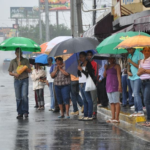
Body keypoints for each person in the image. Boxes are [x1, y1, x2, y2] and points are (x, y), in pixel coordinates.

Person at [8, 48, 31, 119]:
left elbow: (29, 70)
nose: (19, 53)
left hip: (24, 79)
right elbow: (10, 72)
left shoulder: (26, 60)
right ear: (15, 53)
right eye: (17, 52)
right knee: (18, 97)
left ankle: (25, 112)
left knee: (24, 96)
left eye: (20, 52)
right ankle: (19, 112)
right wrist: (15, 74)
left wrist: (23, 67)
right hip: (17, 80)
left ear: (22, 53)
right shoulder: (13, 61)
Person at [104, 57, 122, 123]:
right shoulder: (107, 66)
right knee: (111, 102)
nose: (110, 60)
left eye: (112, 58)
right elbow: (104, 75)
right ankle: (113, 117)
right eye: (109, 59)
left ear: (114, 59)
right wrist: (105, 69)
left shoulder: (117, 66)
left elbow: (118, 75)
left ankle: (117, 118)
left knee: (116, 101)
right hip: (108, 85)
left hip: (115, 84)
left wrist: (120, 85)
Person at [78, 52, 95, 121]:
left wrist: (81, 69)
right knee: (84, 100)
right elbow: (79, 74)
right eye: (80, 57)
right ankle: (85, 114)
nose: (81, 58)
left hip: (86, 83)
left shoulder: (88, 64)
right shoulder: (81, 64)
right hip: (81, 83)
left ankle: (90, 115)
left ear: (85, 57)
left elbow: (89, 74)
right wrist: (79, 67)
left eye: (82, 56)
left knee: (88, 99)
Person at [127, 48, 144, 117]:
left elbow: (139, 66)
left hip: (137, 76)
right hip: (131, 77)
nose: (128, 50)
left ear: (133, 48)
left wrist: (131, 62)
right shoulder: (129, 55)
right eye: (127, 49)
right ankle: (136, 110)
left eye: (130, 49)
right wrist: (128, 71)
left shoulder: (139, 54)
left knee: (136, 93)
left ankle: (140, 110)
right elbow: (128, 66)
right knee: (134, 94)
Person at [137, 47, 150, 127]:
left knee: (146, 100)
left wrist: (144, 71)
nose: (147, 52)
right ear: (142, 52)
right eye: (145, 50)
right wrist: (141, 71)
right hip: (142, 82)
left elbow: (142, 71)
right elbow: (138, 73)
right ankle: (147, 119)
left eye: (148, 50)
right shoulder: (141, 61)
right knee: (145, 101)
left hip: (148, 82)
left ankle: (149, 120)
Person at [87, 51, 98, 119]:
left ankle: (94, 112)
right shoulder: (85, 64)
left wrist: (95, 82)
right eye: (88, 55)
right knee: (88, 98)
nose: (89, 56)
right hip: (87, 83)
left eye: (90, 55)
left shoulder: (94, 63)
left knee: (93, 98)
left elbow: (96, 73)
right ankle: (90, 111)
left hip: (93, 82)